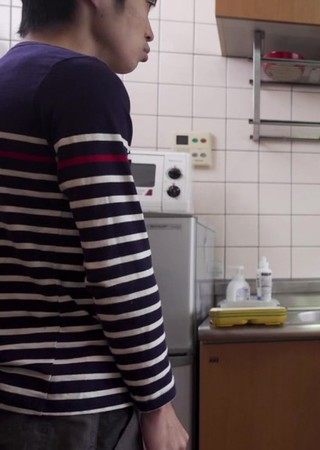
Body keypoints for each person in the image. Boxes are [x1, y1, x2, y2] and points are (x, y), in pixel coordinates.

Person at [0, 1, 188, 449]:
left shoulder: (12, 77)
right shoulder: (80, 82)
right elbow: (118, 261)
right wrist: (158, 404)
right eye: (146, 7)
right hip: (66, 397)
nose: (150, 32)